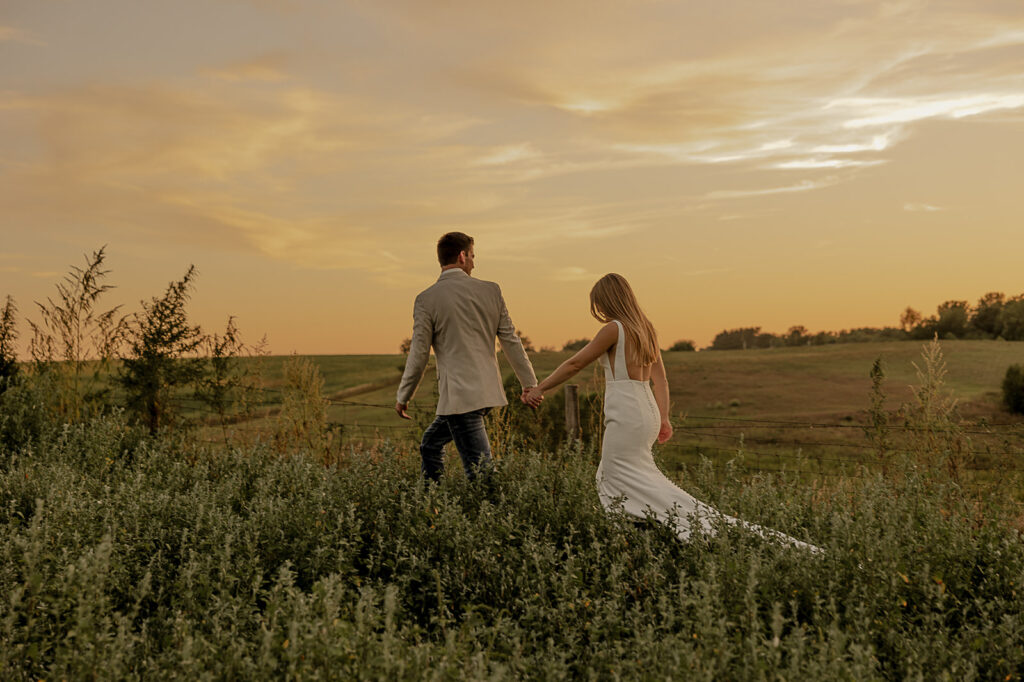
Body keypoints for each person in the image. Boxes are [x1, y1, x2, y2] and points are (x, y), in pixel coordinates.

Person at [523, 273, 819, 552]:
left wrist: (540, 388)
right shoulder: (646, 329)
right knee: (628, 476)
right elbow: (660, 379)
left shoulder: (614, 329)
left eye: (599, 303)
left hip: (626, 411)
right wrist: (663, 418)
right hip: (646, 409)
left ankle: (666, 529)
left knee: (615, 476)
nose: (598, 310)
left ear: (608, 300)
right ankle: (652, 527)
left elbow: (576, 364)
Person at [396, 232, 539, 483]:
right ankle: (432, 510)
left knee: (481, 475)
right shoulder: (491, 291)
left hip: (461, 397)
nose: (474, 262)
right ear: (462, 256)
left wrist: (403, 396)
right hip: (483, 394)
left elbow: (419, 355)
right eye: (472, 256)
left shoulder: (426, 299)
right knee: (430, 445)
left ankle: (470, 515)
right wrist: (529, 383)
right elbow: (511, 341)